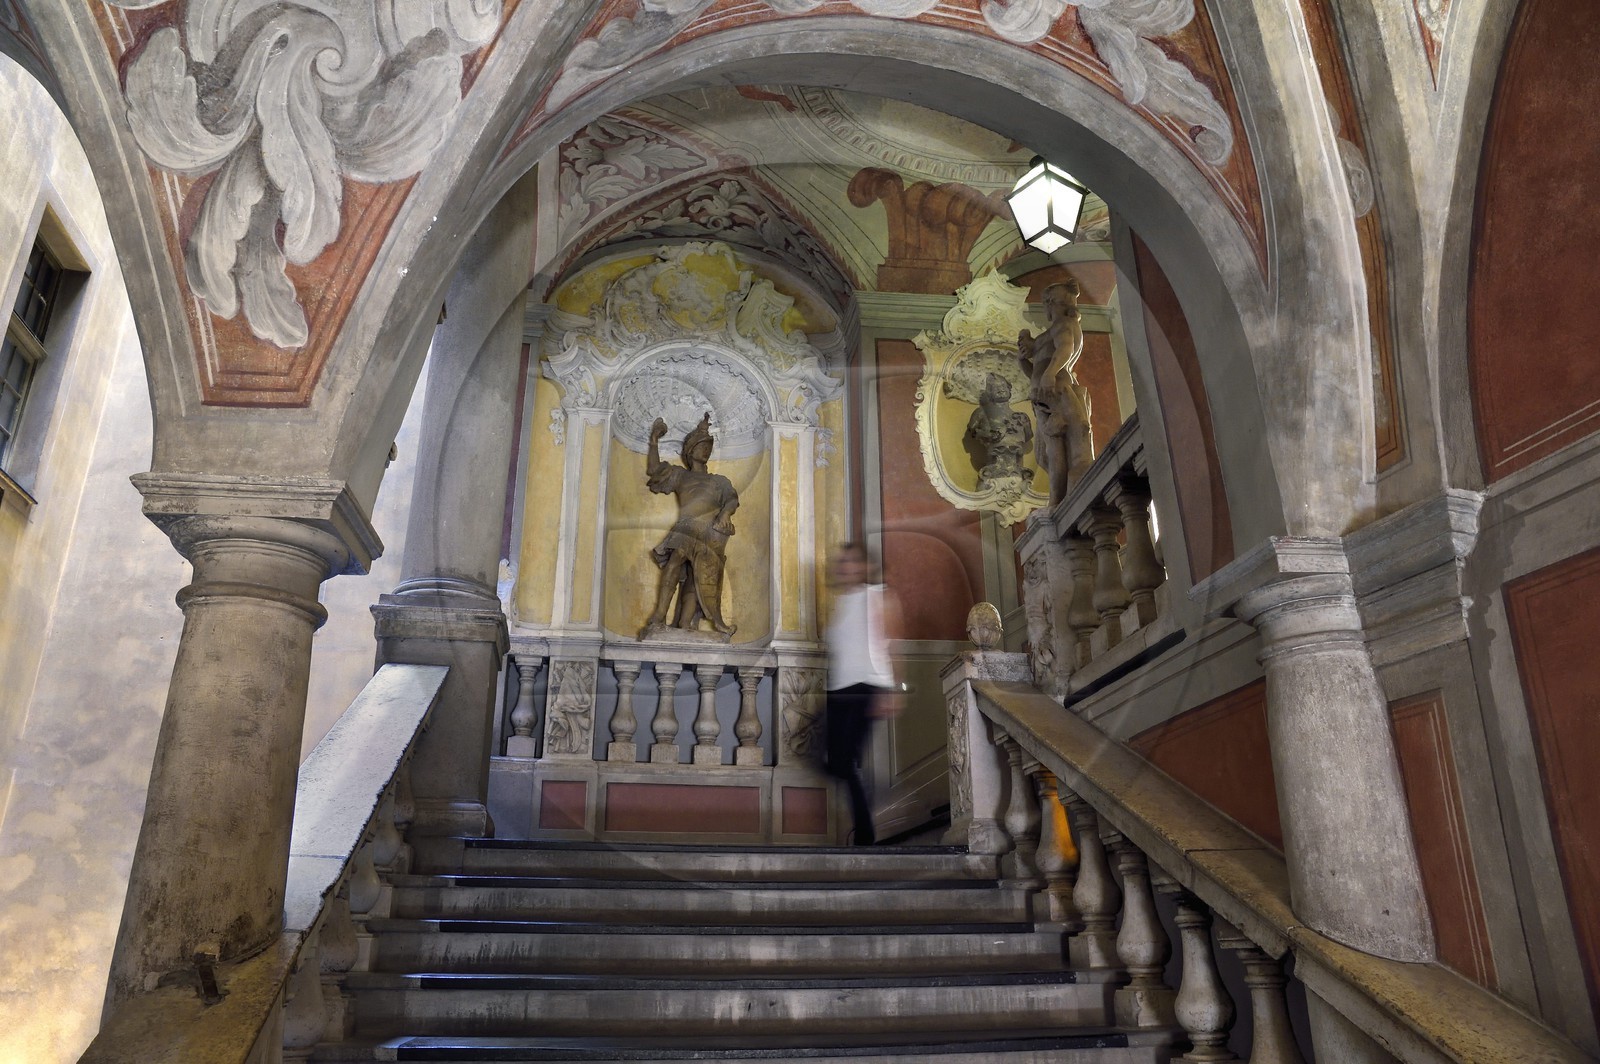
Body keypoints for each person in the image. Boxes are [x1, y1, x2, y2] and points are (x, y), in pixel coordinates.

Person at [824, 541, 904, 846]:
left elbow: (892, 643)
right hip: (838, 689)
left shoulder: (878, 595)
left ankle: (865, 833)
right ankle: (870, 803)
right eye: (842, 562)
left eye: (852, 561)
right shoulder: (839, 602)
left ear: (865, 566)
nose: (845, 567)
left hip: (869, 685)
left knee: (845, 760)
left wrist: (893, 691)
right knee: (834, 761)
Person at [642, 412, 739, 640]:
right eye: (701, 446)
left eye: (708, 447)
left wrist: (725, 512)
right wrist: (655, 440)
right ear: (690, 451)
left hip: (710, 533)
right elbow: (654, 470)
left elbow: (732, 499)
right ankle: (659, 616)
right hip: (686, 527)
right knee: (675, 563)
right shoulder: (681, 476)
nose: (705, 451)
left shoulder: (720, 481)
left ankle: (685, 623)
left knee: (700, 578)